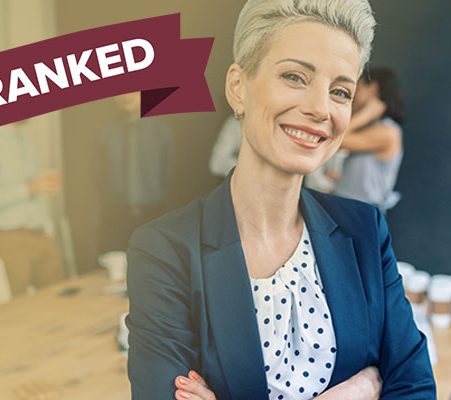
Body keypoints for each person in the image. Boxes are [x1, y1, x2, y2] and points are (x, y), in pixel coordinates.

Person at [126, 1, 435, 399]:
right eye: (294, 76)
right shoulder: (164, 250)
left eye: (340, 91)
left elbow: (416, 387)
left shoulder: (365, 230)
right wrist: (357, 390)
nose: (320, 108)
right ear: (238, 87)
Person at [0, 122, 64, 295]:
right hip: (9, 239)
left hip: (41, 234)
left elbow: (31, 188)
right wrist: (27, 188)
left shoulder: (24, 141)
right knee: (15, 310)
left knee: (58, 299)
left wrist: (41, 186)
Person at [93, 92, 173, 253]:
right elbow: (96, 173)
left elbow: (168, 172)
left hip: (152, 215)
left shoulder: (161, 131)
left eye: (133, 90)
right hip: (115, 216)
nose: (126, 96)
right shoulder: (104, 133)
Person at [334, 68, 404, 211]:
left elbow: (338, 141)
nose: (354, 94)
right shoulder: (370, 128)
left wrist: (366, 114)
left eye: (359, 86)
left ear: (373, 88)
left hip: (361, 211)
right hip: (346, 205)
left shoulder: (388, 132)